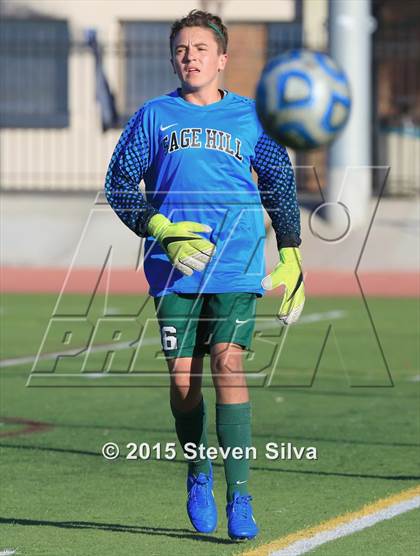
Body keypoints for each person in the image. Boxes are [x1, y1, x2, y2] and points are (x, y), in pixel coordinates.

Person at [105, 9, 304, 541]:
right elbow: (120, 184)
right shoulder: (154, 117)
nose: (190, 56)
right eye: (181, 49)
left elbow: (280, 180)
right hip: (175, 269)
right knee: (182, 381)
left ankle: (241, 494)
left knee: (230, 364)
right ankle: (198, 473)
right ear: (174, 58)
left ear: (222, 59)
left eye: (200, 48)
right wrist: (159, 227)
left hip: (237, 264)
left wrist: (291, 251)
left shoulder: (251, 118)